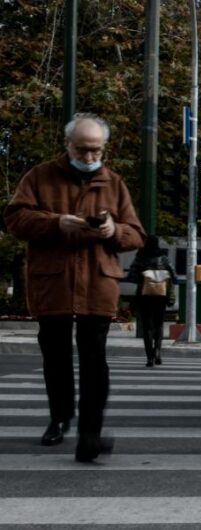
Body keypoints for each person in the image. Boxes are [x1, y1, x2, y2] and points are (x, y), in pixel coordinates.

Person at [4, 113, 145, 462]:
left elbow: (137, 233)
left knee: (94, 360)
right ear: (68, 145)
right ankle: (60, 416)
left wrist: (114, 232)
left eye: (96, 151)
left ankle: (90, 434)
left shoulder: (114, 183)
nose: (89, 158)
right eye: (82, 150)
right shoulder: (39, 177)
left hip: (98, 283)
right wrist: (56, 223)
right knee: (56, 357)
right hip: (53, 283)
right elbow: (13, 218)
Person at [127, 235, 176, 367]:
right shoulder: (163, 257)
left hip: (144, 296)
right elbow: (173, 275)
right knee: (159, 325)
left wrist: (144, 277)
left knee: (147, 327)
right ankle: (158, 352)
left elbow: (131, 276)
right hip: (161, 296)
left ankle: (149, 358)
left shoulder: (140, 257)